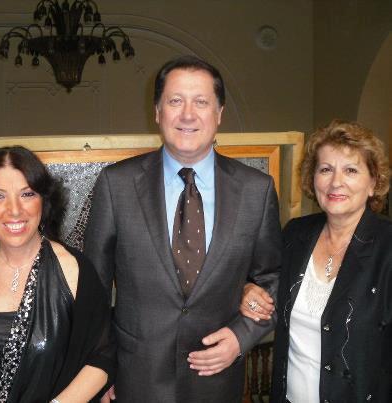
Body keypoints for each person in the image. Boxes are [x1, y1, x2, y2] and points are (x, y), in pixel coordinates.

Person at [84, 55, 282, 403]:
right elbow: (93, 290)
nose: (188, 115)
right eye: (175, 101)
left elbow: (274, 278)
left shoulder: (257, 190)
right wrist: (100, 369)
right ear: (157, 112)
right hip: (135, 380)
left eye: (201, 102)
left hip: (217, 383)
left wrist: (241, 337)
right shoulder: (116, 184)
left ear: (219, 114)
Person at [241, 120, 392, 402]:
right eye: (325, 169)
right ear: (313, 179)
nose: (336, 182)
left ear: (373, 183)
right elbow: (262, 281)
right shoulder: (295, 234)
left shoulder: (387, 248)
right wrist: (248, 290)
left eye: (351, 170)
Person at [0, 146, 114, 402]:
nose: (14, 210)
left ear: (44, 201)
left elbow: (103, 354)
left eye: (27, 194)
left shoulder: (73, 269)